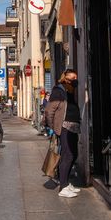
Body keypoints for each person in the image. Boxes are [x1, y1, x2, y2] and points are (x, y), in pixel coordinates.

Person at [44, 69, 81, 198]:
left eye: (76, 78)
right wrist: (54, 127)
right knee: (68, 155)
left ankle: (65, 182)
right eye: (72, 78)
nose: (75, 80)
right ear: (65, 78)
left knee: (73, 154)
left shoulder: (69, 90)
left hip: (73, 127)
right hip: (65, 127)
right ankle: (63, 187)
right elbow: (49, 111)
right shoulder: (58, 91)